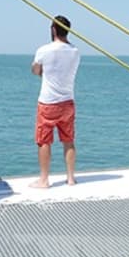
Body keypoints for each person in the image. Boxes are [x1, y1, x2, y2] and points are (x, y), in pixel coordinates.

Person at [30, 15, 81, 188]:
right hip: (67, 101)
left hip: (48, 101)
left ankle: (44, 180)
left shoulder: (44, 50)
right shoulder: (75, 51)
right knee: (68, 140)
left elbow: (36, 70)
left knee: (44, 141)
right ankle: (71, 178)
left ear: (53, 30)